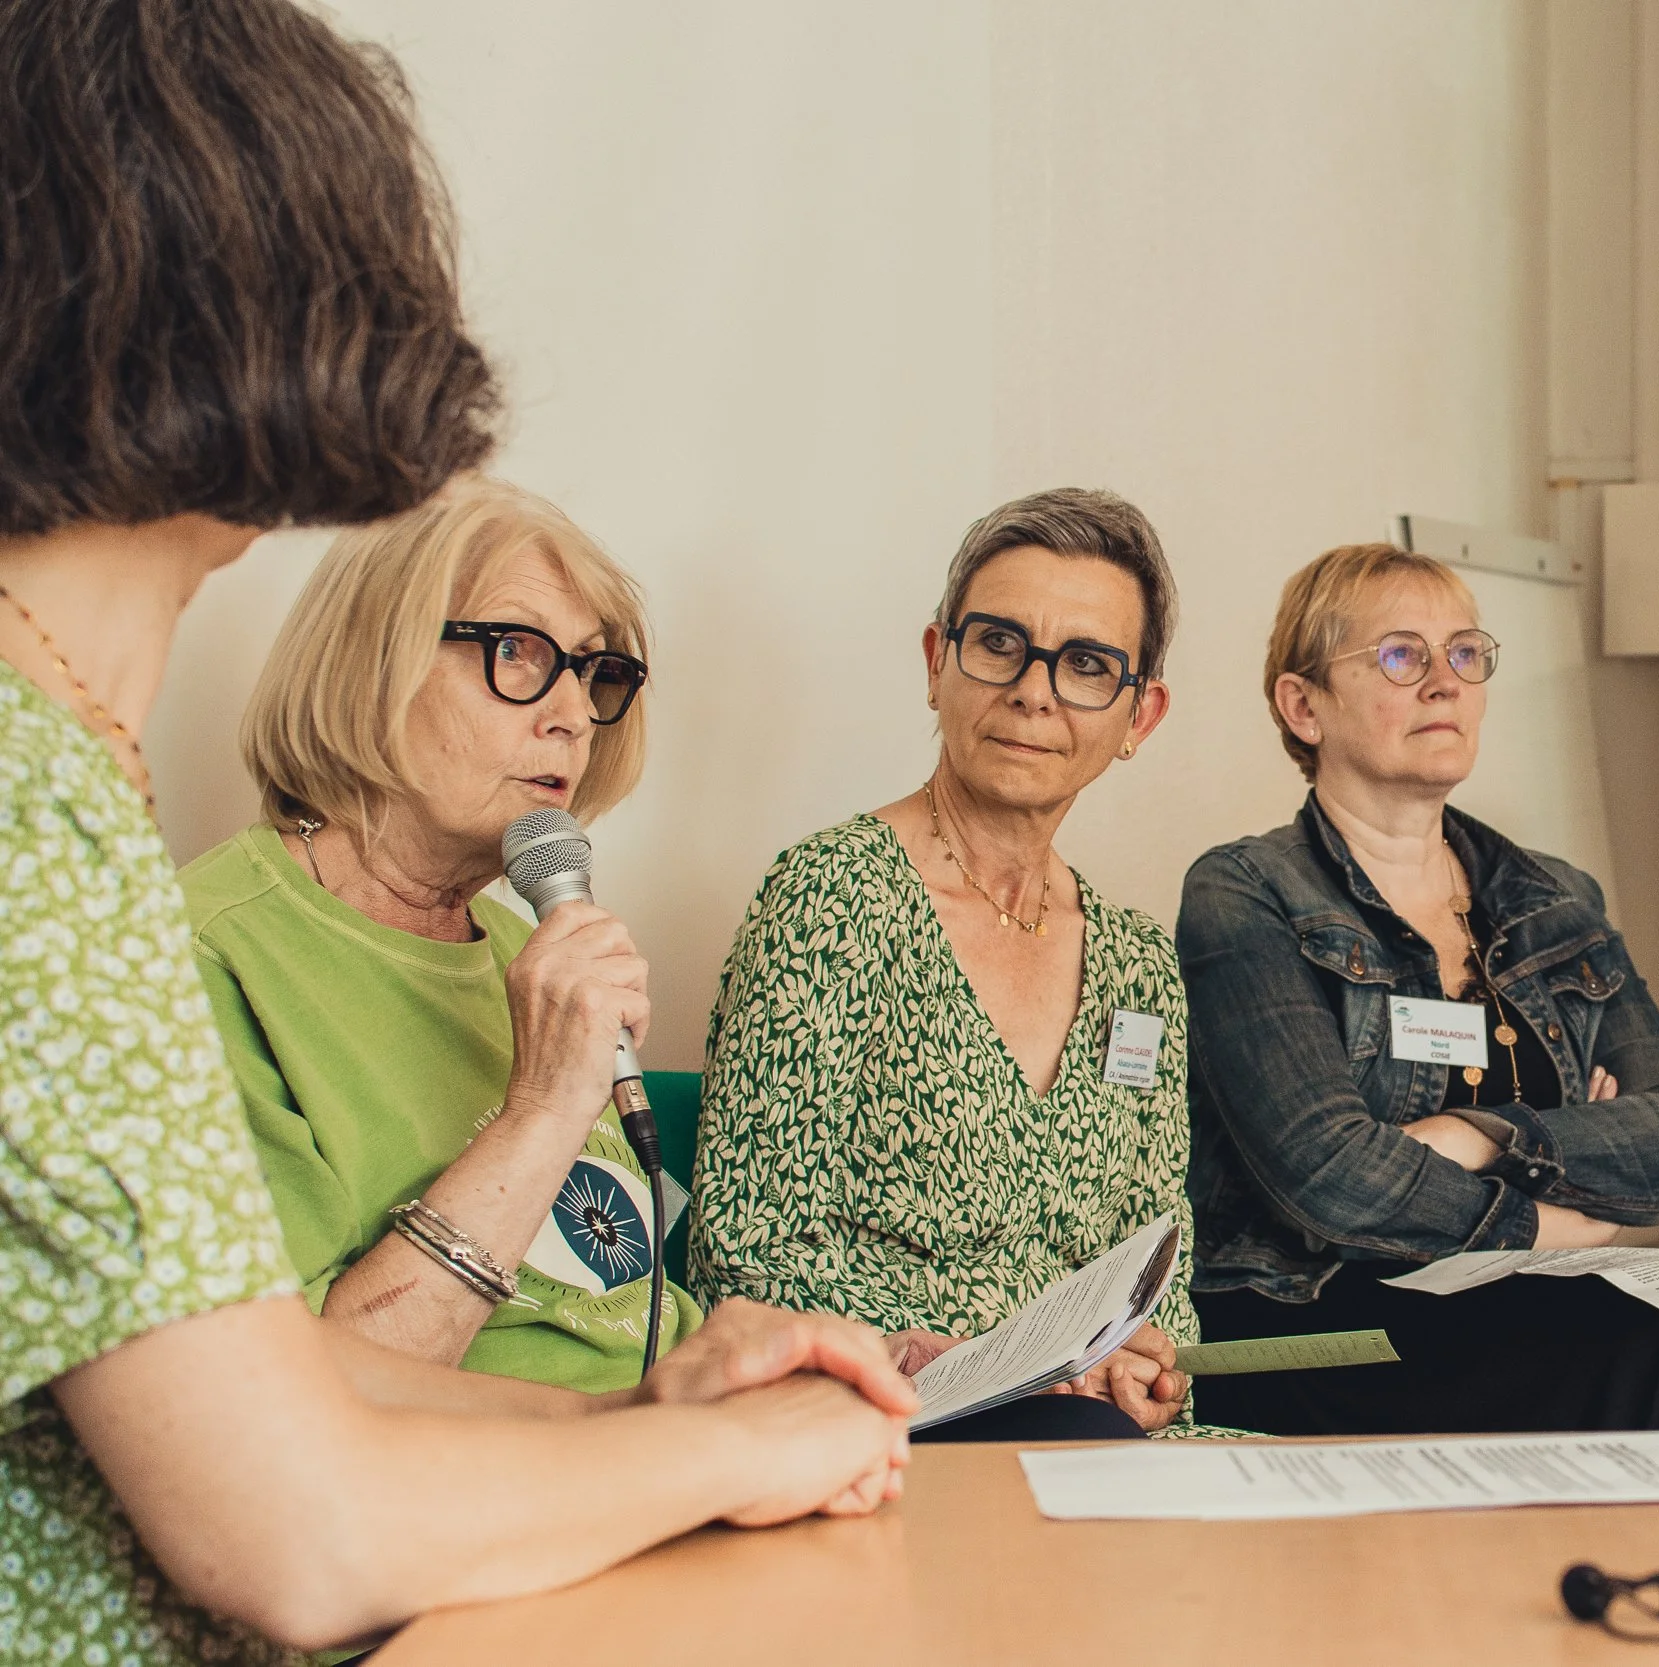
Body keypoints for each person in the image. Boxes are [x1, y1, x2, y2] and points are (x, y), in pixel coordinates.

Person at [0, 5, 916, 1661]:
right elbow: (294, 1534)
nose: (567, 706)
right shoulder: (30, 805)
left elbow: (242, 1360)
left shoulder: (66, 767)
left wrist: (655, 1412)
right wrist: (736, 1445)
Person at [1176, 542, 1659, 1436]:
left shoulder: (1553, 897)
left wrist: (1473, 1134)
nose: (1445, 683)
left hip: (1507, 1302)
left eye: (1465, 653)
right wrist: (1545, 1214)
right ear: (1303, 705)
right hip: (1309, 1330)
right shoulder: (1246, 890)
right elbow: (1330, 1178)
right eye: (1400, 655)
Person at [691, 489, 1199, 1441]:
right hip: (883, 1424)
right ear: (938, 664)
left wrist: (1147, 1364)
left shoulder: (1139, 964)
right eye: (1000, 644)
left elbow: (1161, 1252)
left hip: (1092, 1436)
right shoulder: (831, 898)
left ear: (1142, 715)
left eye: (1087, 664)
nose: (1034, 689)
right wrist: (917, 1350)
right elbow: (743, 1249)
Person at [182, 475, 700, 1392]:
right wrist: (540, 1109)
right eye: (517, 650)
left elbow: (613, 1314)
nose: (574, 714)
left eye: (591, 670)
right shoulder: (207, 959)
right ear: (368, 663)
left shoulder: (526, 948)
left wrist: (791, 1363)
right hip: (468, 1495)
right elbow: (286, 1415)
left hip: (662, 1460)